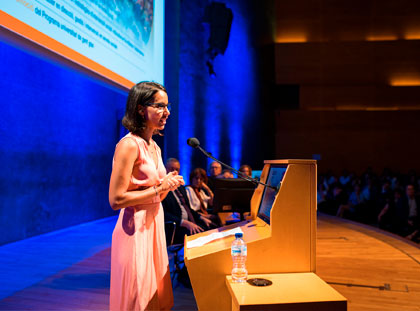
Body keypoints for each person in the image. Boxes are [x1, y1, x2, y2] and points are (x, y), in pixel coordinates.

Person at [108, 82, 184, 311]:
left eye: (167, 106)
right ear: (141, 109)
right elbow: (116, 200)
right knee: (137, 298)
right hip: (135, 230)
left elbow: (154, 198)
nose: (167, 112)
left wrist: (167, 186)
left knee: (154, 296)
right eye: (160, 106)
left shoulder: (155, 147)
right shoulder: (129, 145)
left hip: (154, 225)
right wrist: (159, 188)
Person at [162, 158, 212, 244]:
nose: (174, 172)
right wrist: (184, 223)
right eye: (171, 169)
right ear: (165, 169)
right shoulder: (161, 188)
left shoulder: (181, 187)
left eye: (176, 169)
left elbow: (188, 208)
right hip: (175, 226)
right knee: (199, 235)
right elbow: (164, 213)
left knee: (210, 228)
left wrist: (202, 218)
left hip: (189, 222)